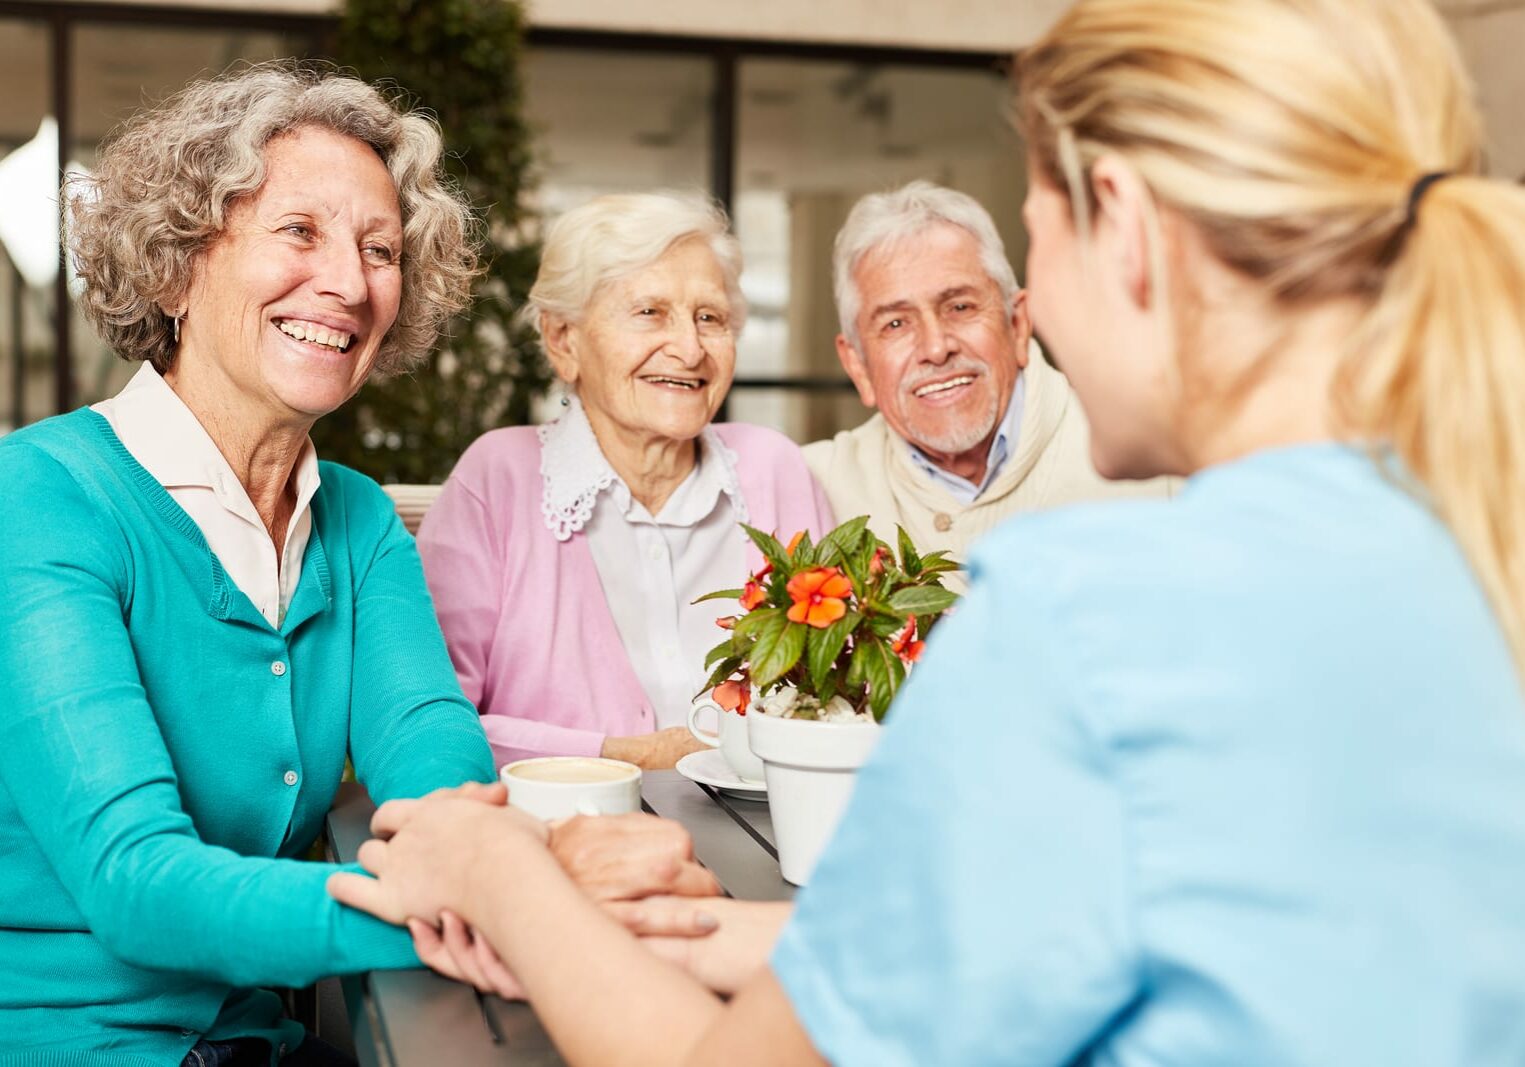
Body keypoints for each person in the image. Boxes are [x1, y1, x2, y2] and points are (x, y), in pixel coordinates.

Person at [331, 0, 1525, 1062]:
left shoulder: (1083, 611)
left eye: (1030, 245)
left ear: (1123, 223)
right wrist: (739, 930)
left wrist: (491, 867)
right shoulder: (1473, 547)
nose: (1027, 314)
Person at [0, 64, 713, 1067]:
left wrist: (495, 867)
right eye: (299, 231)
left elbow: (427, 748)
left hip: (268, 1040)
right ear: (176, 266)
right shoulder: (40, 496)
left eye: (379, 249)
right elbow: (134, 880)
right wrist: (526, 906)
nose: (348, 280)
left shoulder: (359, 520)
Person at [416, 192, 835, 771]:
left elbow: (840, 690)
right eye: (649, 313)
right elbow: (428, 721)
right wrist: (627, 756)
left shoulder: (773, 468)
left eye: (709, 318)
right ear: (564, 341)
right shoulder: (497, 479)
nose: (689, 349)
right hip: (560, 834)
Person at [803, 180, 1166, 584]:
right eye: (895, 324)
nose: (936, 348)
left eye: (960, 307)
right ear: (857, 365)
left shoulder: (1157, 455)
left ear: (1017, 324)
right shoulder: (809, 486)